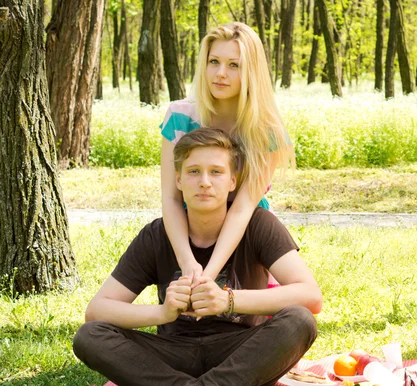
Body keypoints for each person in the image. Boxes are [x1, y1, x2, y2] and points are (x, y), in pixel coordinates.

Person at [73, 128, 321, 386]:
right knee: (90, 336)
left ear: (233, 182)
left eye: (216, 172)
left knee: (299, 321)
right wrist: (163, 312)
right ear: (178, 180)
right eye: (193, 172)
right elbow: (97, 311)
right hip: (172, 351)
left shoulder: (258, 225)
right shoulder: (157, 234)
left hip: (240, 354)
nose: (205, 182)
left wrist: (227, 300)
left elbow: (310, 297)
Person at [160, 22, 293, 288]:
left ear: (251, 71)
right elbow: (171, 198)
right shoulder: (180, 116)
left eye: (234, 65)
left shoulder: (267, 131)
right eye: (214, 62)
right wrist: (188, 264)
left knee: (278, 315)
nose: (220, 73)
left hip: (247, 232)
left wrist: (209, 275)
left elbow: (243, 207)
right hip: (191, 228)